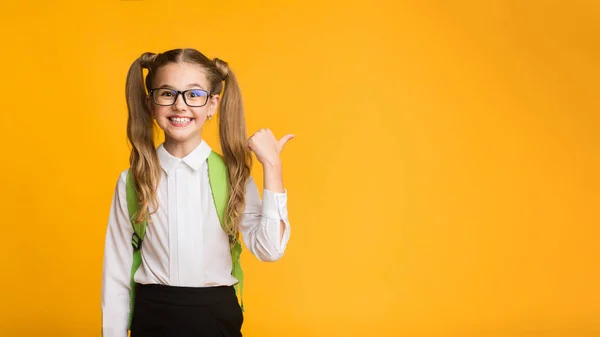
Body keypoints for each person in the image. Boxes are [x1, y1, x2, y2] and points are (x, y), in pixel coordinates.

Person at [101, 48, 293, 337]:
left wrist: (272, 165)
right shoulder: (132, 180)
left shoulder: (233, 176)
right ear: (150, 102)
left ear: (212, 104)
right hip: (153, 317)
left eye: (194, 95)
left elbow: (270, 250)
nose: (180, 105)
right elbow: (116, 272)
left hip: (216, 319)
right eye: (167, 93)